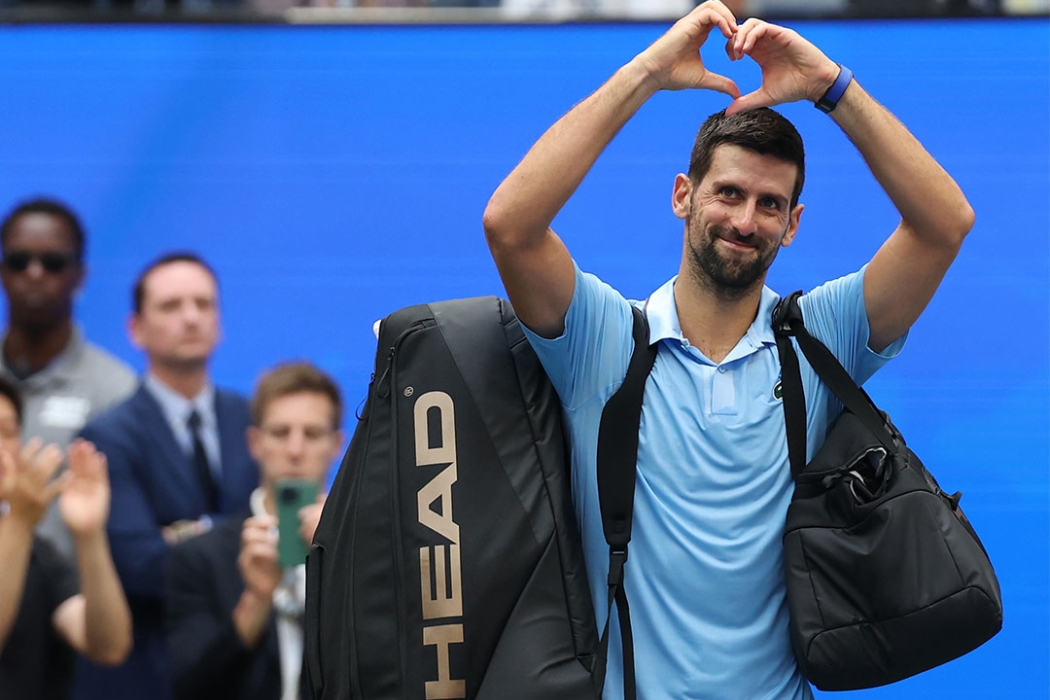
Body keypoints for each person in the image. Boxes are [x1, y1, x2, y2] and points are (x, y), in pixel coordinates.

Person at [482, 3, 973, 698]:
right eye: (729, 193)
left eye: (770, 205)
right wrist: (650, 72)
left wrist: (831, 85)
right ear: (684, 195)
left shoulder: (819, 337)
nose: (746, 221)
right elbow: (510, 224)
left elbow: (944, 224)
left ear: (793, 225)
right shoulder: (602, 340)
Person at [75, 252, 260, 700]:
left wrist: (186, 534)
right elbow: (139, 565)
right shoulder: (106, 436)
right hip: (149, 670)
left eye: (204, 304)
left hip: (250, 668)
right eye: (171, 306)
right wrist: (241, 542)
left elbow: (289, 539)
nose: (191, 318)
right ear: (135, 329)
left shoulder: (252, 420)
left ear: (220, 320)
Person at [165, 361, 344, 700]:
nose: (295, 450)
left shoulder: (365, 550)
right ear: (254, 442)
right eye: (280, 433)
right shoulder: (200, 556)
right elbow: (187, 684)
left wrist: (345, 559)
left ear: (336, 445)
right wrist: (257, 600)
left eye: (312, 434)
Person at [0, 198, 137, 559]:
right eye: (18, 261)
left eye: (53, 262)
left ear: (80, 276)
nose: (34, 273)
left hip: (74, 602)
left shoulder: (118, 391)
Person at [0, 375, 133, 700]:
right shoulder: (21, 533)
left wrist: (89, 535)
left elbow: (109, 646)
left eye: (7, 431)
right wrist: (18, 521)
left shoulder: (38, 553)